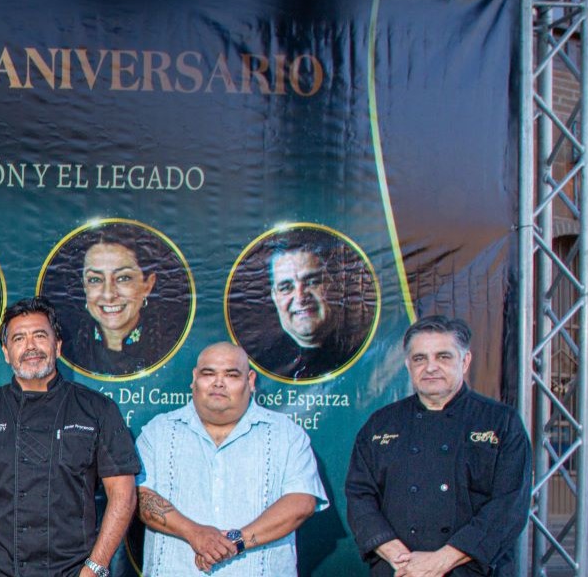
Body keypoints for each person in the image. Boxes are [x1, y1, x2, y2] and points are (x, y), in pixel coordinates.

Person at [0, 297, 140, 577]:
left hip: (73, 571)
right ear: (5, 352)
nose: (30, 347)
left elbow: (123, 494)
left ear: (58, 346)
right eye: (18, 338)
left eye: (40, 336)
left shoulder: (97, 410)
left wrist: (95, 567)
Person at [346, 316, 529, 577]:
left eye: (443, 357)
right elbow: (359, 495)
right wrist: (399, 557)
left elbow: (509, 505)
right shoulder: (380, 425)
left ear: (465, 362)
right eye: (420, 358)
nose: (430, 367)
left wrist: (442, 560)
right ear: (408, 365)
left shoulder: (501, 422)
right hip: (399, 570)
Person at [135, 342, 326, 575]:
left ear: (251, 381)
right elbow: (140, 497)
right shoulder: (158, 432)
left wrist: (237, 541)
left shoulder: (286, 434)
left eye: (231, 375)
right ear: (194, 378)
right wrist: (196, 534)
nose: (218, 382)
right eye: (208, 373)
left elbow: (301, 502)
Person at [67, 224, 168, 377]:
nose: (108, 294)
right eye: (95, 279)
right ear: (84, 287)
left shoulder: (168, 351)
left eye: (123, 278)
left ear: (148, 284)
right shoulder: (67, 353)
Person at [252, 238, 358, 380]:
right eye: (286, 287)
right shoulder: (262, 365)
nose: (300, 297)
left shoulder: (359, 354)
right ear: (274, 297)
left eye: (312, 282)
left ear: (335, 286)